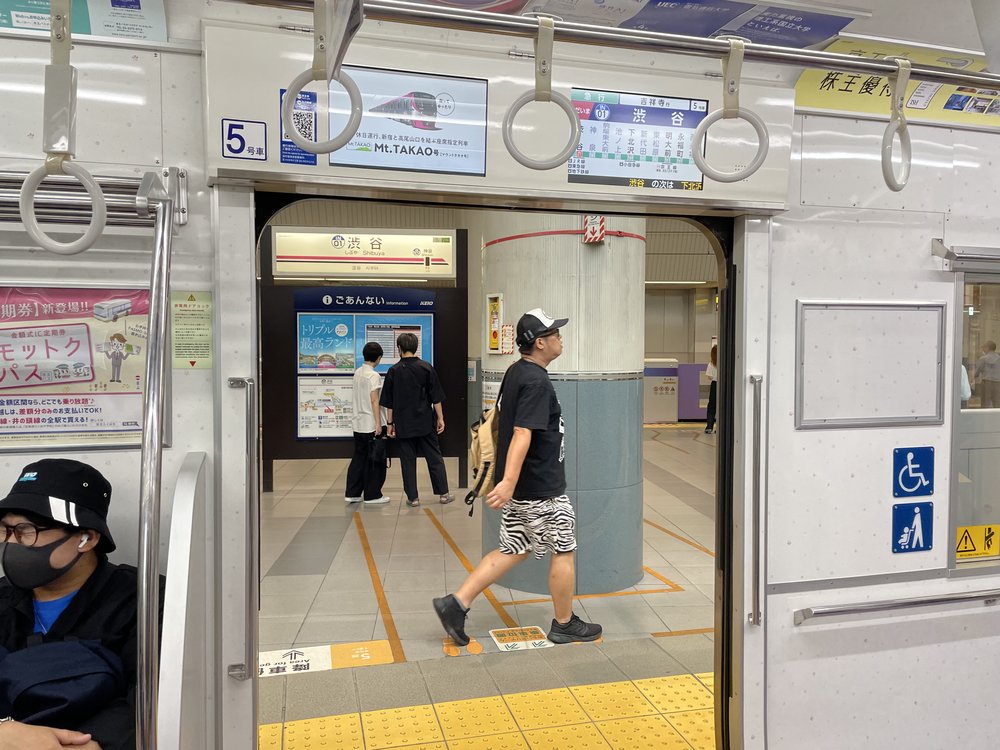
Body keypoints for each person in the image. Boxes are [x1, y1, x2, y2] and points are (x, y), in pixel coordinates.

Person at [433, 309, 602, 646]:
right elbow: (522, 432)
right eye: (554, 333)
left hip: (524, 487)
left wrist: (510, 484)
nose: (559, 337)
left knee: (515, 547)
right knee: (564, 549)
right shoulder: (536, 381)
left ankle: (456, 604)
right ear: (540, 343)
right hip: (540, 487)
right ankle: (565, 623)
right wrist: (508, 481)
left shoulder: (517, 372)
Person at [0, 459, 156, 750]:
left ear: (87, 538)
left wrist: (95, 741)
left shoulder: (144, 600)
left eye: (27, 530)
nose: (13, 543)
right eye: (6, 530)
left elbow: (153, 700)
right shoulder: (3, 602)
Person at [380, 332, 454, 508]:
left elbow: (389, 403)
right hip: (425, 423)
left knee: (407, 460)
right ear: (415, 348)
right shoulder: (426, 367)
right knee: (434, 458)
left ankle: (413, 498)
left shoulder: (393, 371)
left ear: (399, 349)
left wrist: (389, 424)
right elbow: (436, 397)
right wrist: (441, 418)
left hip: (404, 424)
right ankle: (443, 494)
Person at [344, 342, 390, 505]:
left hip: (358, 423)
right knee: (375, 460)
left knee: (359, 457)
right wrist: (379, 423)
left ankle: (353, 493)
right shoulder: (374, 376)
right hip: (371, 423)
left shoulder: (357, 373)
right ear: (378, 358)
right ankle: (373, 495)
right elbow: (374, 399)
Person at [974, 341, 1000, 408]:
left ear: (987, 348)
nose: (982, 349)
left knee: (985, 403)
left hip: (986, 383)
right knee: (997, 404)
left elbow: (977, 371)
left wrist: (973, 377)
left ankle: (984, 417)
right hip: (998, 384)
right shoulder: (999, 358)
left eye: (983, 347)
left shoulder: (983, 359)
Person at [705, 344, 718, 434]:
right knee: (722, 406)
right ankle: (720, 427)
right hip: (723, 385)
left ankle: (709, 427)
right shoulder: (724, 362)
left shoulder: (711, 364)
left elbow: (709, 377)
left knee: (711, 406)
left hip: (714, 384)